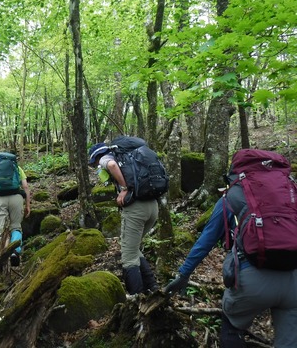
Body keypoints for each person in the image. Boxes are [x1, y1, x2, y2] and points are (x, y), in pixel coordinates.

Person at [163, 197, 297, 347]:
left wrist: (183, 274)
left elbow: (207, 240)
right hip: (292, 280)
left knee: (231, 327)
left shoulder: (231, 198)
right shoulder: (289, 194)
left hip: (251, 282)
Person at [88, 142, 159, 295]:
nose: (96, 166)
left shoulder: (107, 158)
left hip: (136, 209)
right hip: (153, 206)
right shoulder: (131, 157)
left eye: (94, 163)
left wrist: (125, 189)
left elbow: (112, 165)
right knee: (134, 249)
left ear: (96, 157)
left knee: (128, 257)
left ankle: (136, 299)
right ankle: (152, 289)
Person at [0, 153, 31, 266]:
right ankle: (15, 251)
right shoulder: (17, 168)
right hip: (17, 198)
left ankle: (1, 255)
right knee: (16, 226)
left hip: (0, 200)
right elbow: (25, 187)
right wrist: (28, 205)